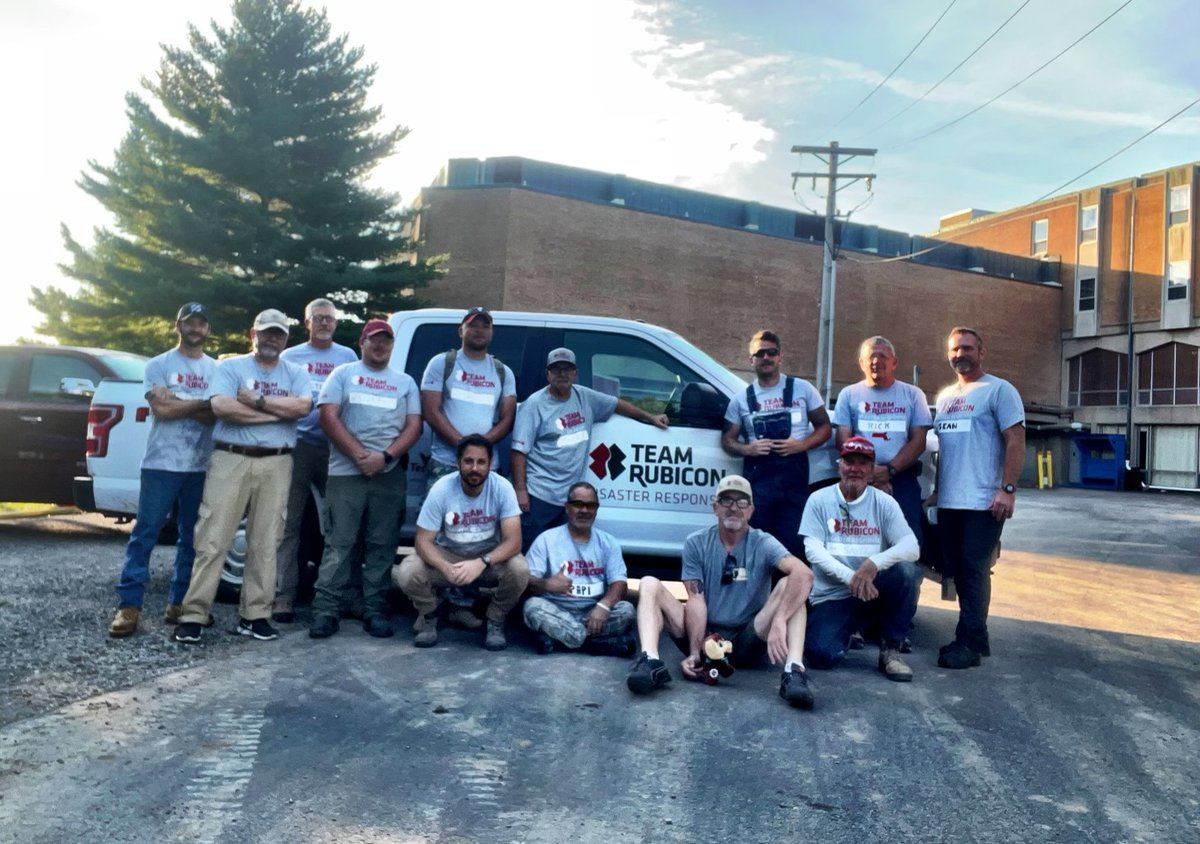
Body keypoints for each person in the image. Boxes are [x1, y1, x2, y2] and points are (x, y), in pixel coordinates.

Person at [172, 309, 312, 645]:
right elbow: (222, 407)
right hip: (230, 458)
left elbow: (303, 408)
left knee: (266, 542)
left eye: (278, 334)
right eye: (266, 333)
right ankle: (193, 614)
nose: (271, 339)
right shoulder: (231, 367)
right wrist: (275, 415)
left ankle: (255, 615)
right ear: (253, 334)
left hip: (277, 463)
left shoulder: (296, 372)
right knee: (213, 537)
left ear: (286, 339)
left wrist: (257, 401)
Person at [626, 475, 816, 709]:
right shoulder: (696, 542)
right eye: (726, 500)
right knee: (648, 583)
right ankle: (650, 661)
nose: (734, 508)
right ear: (715, 507)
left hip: (748, 635)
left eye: (742, 502)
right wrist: (695, 652)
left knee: (792, 585)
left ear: (751, 510)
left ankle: (793, 671)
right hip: (705, 633)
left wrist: (779, 620)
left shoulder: (764, 543)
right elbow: (695, 598)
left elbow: (804, 574)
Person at [107, 303, 217, 638]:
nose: (195, 328)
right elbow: (163, 411)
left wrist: (180, 400)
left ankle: (178, 603)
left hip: (200, 465)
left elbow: (213, 415)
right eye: (189, 322)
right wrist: (199, 403)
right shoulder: (158, 365)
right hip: (160, 464)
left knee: (192, 538)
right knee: (146, 534)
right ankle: (129, 606)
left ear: (207, 329)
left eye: (201, 323)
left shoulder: (217, 369)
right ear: (177, 325)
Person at [308, 320, 421, 640]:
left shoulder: (405, 382)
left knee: (381, 546)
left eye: (386, 341)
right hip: (346, 474)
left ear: (392, 345)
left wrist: (384, 457)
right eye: (374, 340)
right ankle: (326, 610)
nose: (380, 346)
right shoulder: (343, 374)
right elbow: (328, 416)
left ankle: (375, 609)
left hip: (388, 476)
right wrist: (359, 455)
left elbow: (414, 426)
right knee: (339, 544)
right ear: (362, 342)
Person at [932, 327, 1025, 670]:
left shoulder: (999, 391)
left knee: (974, 569)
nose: (961, 355)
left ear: (981, 352)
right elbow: (943, 449)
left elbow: (1015, 440)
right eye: (955, 349)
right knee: (956, 569)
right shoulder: (944, 397)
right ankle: (975, 637)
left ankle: (969, 643)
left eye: (967, 348)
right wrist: (939, 491)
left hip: (985, 501)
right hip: (951, 502)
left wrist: (1008, 489)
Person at [511, 347, 668, 551]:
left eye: (567, 369)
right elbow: (518, 451)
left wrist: (650, 417)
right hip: (540, 495)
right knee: (532, 553)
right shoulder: (534, 404)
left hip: (569, 499)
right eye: (556, 369)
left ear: (576, 374)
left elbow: (617, 404)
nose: (562, 374)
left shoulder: (584, 397)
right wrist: (521, 491)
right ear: (547, 374)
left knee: (562, 554)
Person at [800, 436, 921, 681]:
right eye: (849, 462)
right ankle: (852, 629)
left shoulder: (885, 503)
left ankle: (891, 651)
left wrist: (873, 563)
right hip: (835, 595)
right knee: (820, 656)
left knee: (908, 571)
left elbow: (912, 547)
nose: (855, 468)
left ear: (872, 469)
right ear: (839, 465)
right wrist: (852, 578)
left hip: (874, 590)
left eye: (863, 463)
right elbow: (812, 549)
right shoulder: (819, 499)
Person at [393, 434, 530, 651]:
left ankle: (495, 619)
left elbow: (514, 542)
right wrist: (444, 567)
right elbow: (422, 541)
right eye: (468, 461)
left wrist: (481, 562)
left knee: (520, 568)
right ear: (458, 463)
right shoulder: (441, 489)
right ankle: (429, 613)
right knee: (408, 571)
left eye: (481, 462)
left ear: (490, 464)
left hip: (487, 556)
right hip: (450, 553)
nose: (474, 468)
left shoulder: (502, 487)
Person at [272, 298, 358, 623]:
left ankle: (340, 594)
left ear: (336, 324)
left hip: (336, 447)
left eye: (330, 319)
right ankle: (283, 596)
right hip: (298, 445)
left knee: (341, 522)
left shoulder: (347, 357)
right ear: (306, 322)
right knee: (288, 521)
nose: (324, 323)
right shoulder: (290, 356)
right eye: (318, 318)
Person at [721, 330, 831, 558]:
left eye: (772, 352)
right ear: (751, 360)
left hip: (794, 485)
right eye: (760, 353)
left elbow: (825, 428)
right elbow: (727, 440)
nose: (766, 358)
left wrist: (801, 445)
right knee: (756, 546)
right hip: (759, 488)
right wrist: (747, 449)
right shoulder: (741, 399)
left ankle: (791, 592)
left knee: (793, 546)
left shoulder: (803, 389)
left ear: (780, 357)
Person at [832, 336, 932, 543]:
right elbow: (843, 440)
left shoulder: (913, 395)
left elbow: (919, 441)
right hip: (859, 479)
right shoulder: (848, 394)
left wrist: (889, 471)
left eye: (883, 356)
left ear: (894, 362)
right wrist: (868, 474)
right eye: (871, 357)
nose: (876, 361)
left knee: (907, 542)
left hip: (901, 478)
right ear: (861, 363)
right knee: (858, 542)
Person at [522, 481, 636, 655]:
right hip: (556, 611)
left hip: (593, 613)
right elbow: (527, 583)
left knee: (627, 610)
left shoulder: (608, 543)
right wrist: (547, 585)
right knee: (531, 607)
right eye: (578, 504)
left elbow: (619, 584)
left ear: (596, 509)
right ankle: (595, 644)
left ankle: (561, 640)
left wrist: (604, 606)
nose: (584, 510)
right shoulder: (546, 539)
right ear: (567, 508)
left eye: (590, 505)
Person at [420, 307, 516, 489]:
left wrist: (479, 449)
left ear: (491, 332)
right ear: (461, 330)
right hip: (446, 462)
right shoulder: (441, 363)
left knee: (481, 517)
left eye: (485, 326)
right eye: (473, 325)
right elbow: (431, 412)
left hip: (486, 465)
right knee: (439, 516)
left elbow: (507, 419)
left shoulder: (503, 372)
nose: (480, 330)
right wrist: (463, 445)